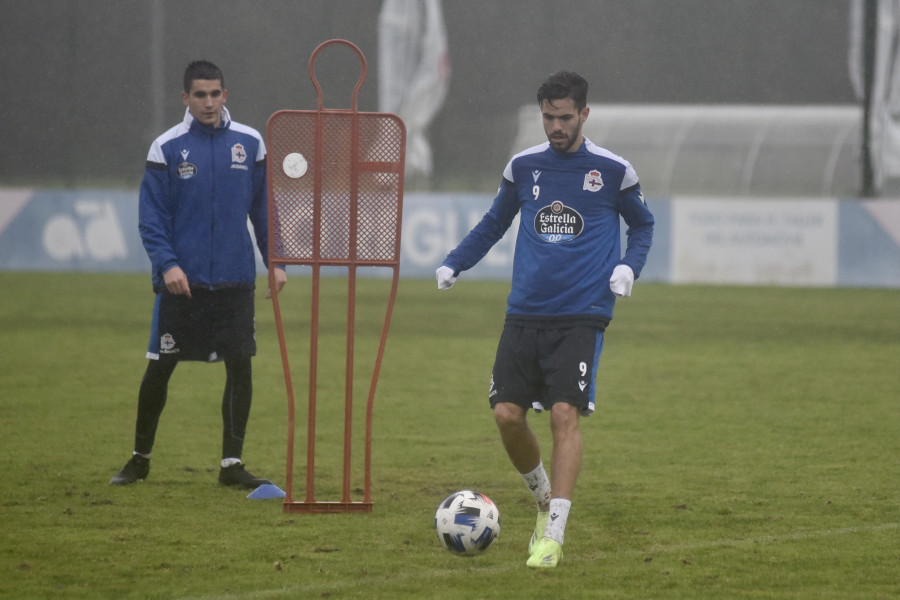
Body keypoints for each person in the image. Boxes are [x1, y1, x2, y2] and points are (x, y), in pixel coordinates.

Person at [435, 71, 654, 567]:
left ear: (584, 114)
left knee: (562, 414)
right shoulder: (524, 167)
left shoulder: (613, 171)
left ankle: (554, 533)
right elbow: (495, 222)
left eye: (565, 117)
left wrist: (627, 266)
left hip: (583, 312)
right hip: (524, 311)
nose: (556, 126)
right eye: (549, 117)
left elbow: (643, 225)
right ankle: (541, 502)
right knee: (506, 415)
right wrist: (455, 261)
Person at [110, 60, 287, 489]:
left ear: (226, 95)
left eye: (215, 93)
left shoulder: (250, 142)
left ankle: (232, 465)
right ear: (185, 98)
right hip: (182, 284)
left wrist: (276, 261)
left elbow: (263, 210)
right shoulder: (166, 148)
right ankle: (139, 458)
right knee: (160, 368)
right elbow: (151, 218)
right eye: (200, 95)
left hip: (234, 280)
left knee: (240, 368)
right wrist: (168, 265)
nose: (208, 102)